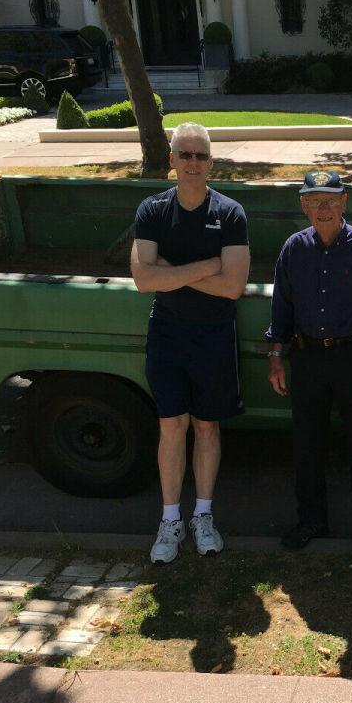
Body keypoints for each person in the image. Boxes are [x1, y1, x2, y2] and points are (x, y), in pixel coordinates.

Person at [130, 123, 250, 564]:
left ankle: (203, 516)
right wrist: (207, 267)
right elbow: (143, 279)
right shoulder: (152, 210)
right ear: (173, 161)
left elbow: (233, 286)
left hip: (214, 336)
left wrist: (172, 271)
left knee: (206, 427)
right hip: (168, 334)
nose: (193, 163)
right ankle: (169, 521)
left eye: (201, 156)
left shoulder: (231, 212)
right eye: (186, 155)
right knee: (171, 426)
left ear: (211, 162)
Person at [266, 170, 352, 556]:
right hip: (307, 358)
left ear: (344, 203)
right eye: (315, 200)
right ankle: (311, 520)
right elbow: (281, 309)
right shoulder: (293, 248)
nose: (322, 208)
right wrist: (276, 357)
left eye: (330, 200)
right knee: (307, 445)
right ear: (303, 204)